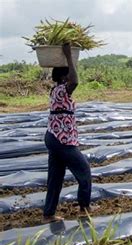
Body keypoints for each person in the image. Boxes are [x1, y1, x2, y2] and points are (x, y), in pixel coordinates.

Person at [43, 43, 95, 223]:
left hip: (54, 137)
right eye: (68, 73)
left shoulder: (56, 90)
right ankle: (84, 207)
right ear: (64, 77)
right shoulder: (62, 90)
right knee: (84, 170)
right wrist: (69, 56)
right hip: (62, 140)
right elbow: (75, 80)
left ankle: (48, 214)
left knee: (55, 177)